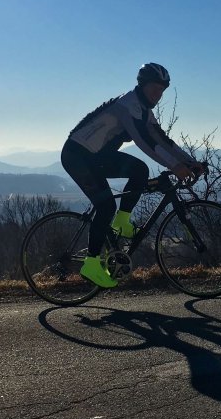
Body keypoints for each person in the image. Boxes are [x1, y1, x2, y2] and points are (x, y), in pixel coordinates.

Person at [61, 63, 205, 288]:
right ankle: (90, 264)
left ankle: (121, 221)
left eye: (162, 91)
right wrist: (175, 166)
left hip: (96, 157)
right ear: (142, 85)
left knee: (140, 170)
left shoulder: (144, 110)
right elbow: (144, 142)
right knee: (106, 206)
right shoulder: (127, 106)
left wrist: (188, 161)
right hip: (77, 156)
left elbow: (161, 139)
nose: (158, 95)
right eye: (154, 89)